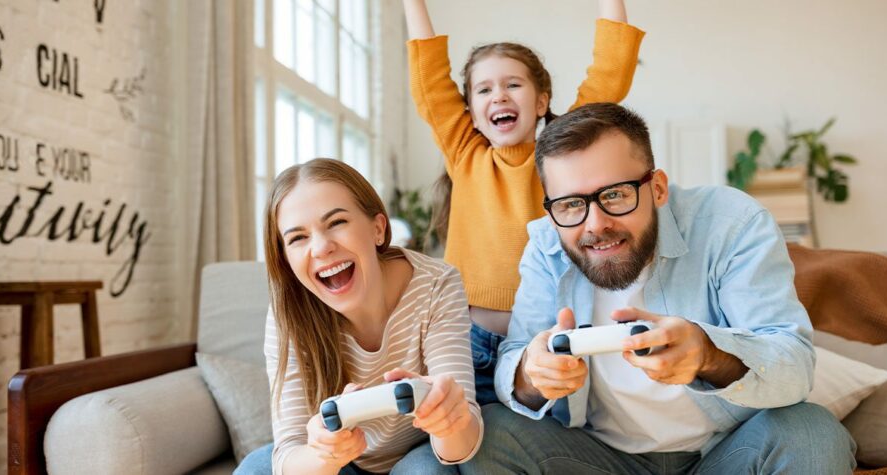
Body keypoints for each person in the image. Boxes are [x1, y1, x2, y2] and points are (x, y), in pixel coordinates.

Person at [461, 103, 857, 474]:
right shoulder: (547, 245)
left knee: (812, 431)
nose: (595, 224)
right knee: (489, 432)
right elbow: (515, 360)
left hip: (726, 452)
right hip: (596, 457)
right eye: (570, 205)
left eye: (614, 195)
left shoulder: (732, 223)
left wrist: (709, 355)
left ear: (658, 188)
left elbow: (794, 364)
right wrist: (533, 374)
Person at [402, 0, 645, 406]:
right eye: (484, 89)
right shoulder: (464, 153)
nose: (499, 95)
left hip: (543, 348)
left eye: (513, 84)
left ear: (540, 102)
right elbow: (428, 80)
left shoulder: (562, 159)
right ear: (472, 114)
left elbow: (610, 74)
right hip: (467, 344)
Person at [235, 159, 481, 475]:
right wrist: (325, 455)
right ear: (285, 260)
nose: (322, 248)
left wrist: (449, 420)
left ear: (377, 229)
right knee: (255, 469)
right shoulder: (288, 314)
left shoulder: (436, 284)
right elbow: (288, 457)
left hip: (421, 453)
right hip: (342, 463)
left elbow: (462, 446)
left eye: (336, 222)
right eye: (298, 238)